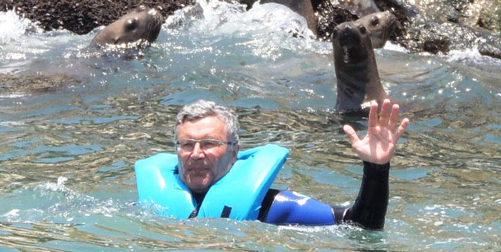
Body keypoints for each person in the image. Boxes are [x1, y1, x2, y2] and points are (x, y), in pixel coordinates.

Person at [135, 97, 408, 227]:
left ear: (234, 151)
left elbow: (360, 226)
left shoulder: (273, 207)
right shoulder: (150, 205)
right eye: (186, 145)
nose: (196, 154)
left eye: (208, 144)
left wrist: (376, 168)